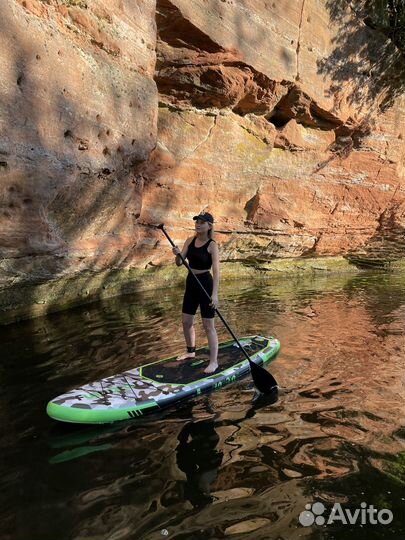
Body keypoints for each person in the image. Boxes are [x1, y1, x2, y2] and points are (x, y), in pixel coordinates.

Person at [172, 212, 220, 374]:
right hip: (191, 282)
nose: (198, 224)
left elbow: (217, 272)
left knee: (208, 325)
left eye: (202, 222)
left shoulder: (212, 245)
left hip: (205, 283)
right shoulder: (190, 241)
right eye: (196, 222)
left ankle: (214, 362)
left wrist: (214, 295)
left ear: (209, 226)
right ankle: (191, 351)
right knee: (186, 321)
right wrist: (177, 254)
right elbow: (179, 263)